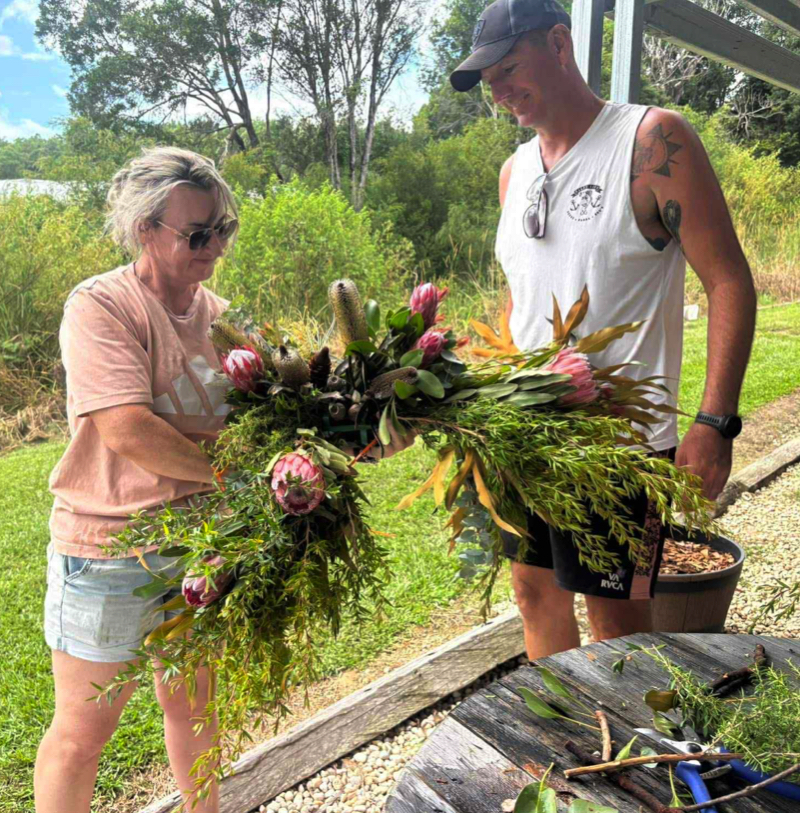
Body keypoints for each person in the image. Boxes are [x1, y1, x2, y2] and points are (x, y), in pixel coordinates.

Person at [450, 0, 756, 659]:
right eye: (488, 81)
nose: (499, 92)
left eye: (508, 69)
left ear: (560, 44)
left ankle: (628, 757)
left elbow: (729, 280)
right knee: (533, 594)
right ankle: (563, 743)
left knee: (617, 623)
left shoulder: (651, 144)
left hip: (619, 444)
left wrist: (714, 423)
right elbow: (524, 298)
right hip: (523, 430)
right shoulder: (514, 174)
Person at [35, 146, 241, 813]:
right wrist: (232, 472)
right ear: (143, 228)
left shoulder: (221, 315)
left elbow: (269, 408)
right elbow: (127, 427)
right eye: (197, 232)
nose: (213, 246)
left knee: (195, 705)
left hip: (198, 542)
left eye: (222, 229)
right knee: (83, 732)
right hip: (110, 549)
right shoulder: (100, 306)